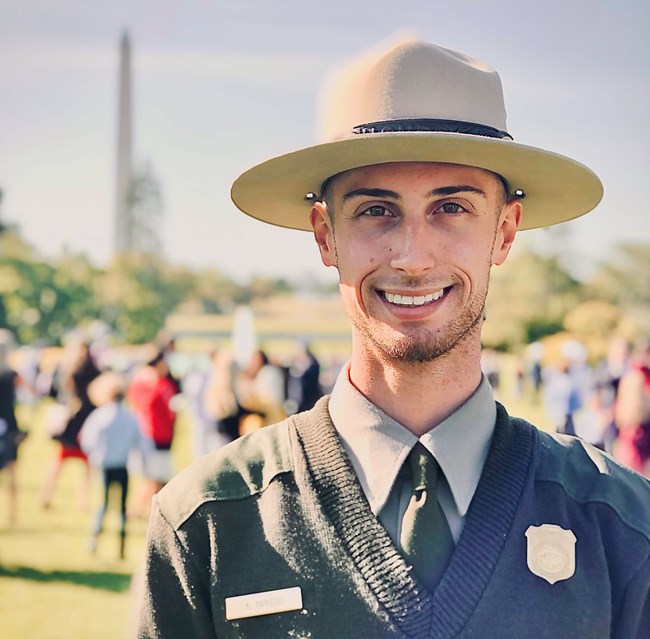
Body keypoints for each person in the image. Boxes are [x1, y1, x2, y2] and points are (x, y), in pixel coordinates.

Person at [138, 39, 650, 637]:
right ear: (325, 236)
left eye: (452, 208)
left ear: (505, 232)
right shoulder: (210, 523)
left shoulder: (622, 526)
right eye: (375, 211)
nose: (411, 257)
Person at [80, 371, 149, 558]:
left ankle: (94, 540)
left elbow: (87, 440)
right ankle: (121, 546)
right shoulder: (130, 417)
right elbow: (142, 444)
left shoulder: (100, 416)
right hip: (122, 466)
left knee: (102, 504)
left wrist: (94, 455)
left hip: (104, 465)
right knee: (122, 508)